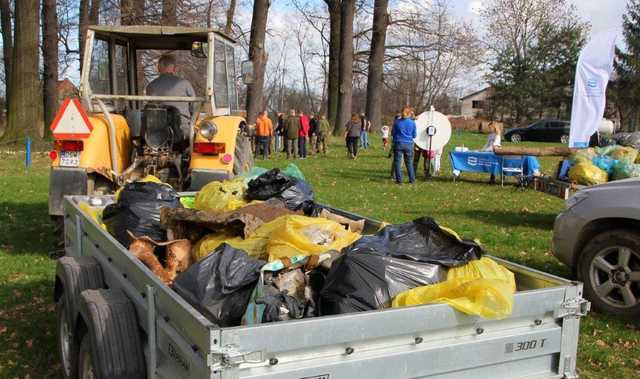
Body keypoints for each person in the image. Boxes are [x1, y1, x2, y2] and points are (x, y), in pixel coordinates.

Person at [145, 54, 196, 137]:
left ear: (159, 68)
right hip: (182, 130)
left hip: (157, 131)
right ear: (174, 68)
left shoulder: (150, 86)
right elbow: (194, 109)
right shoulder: (185, 84)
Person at [392, 107, 417, 184]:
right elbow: (414, 135)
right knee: (409, 163)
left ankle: (399, 180)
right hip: (409, 143)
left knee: (398, 162)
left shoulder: (397, 122)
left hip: (398, 143)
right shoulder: (412, 123)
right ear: (410, 113)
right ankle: (412, 180)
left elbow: (393, 133)